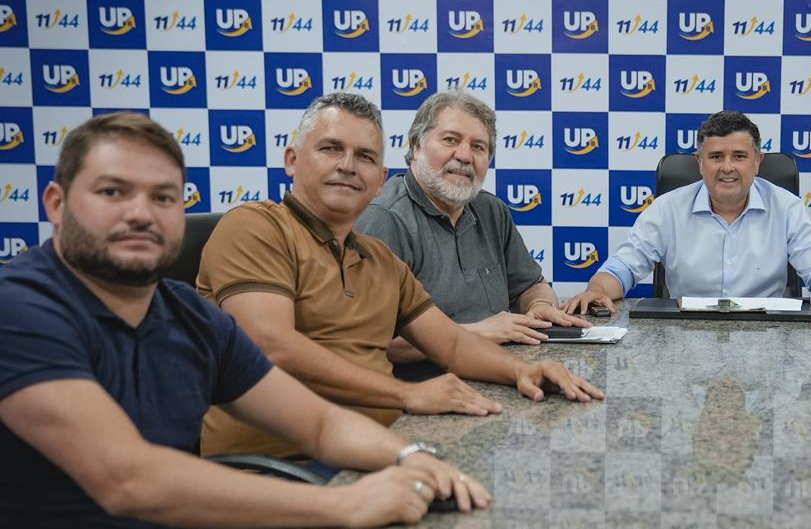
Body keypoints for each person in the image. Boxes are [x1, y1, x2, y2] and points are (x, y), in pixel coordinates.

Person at [0, 112, 491, 529]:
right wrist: (344, 504)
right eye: (112, 192)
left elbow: (319, 426)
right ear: (56, 203)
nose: (141, 214)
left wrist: (411, 459)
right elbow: (128, 479)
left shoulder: (184, 314)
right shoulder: (19, 308)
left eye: (163, 198)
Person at [197, 93, 603, 460]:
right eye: (331, 149)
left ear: (379, 180)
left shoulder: (378, 258)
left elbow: (451, 343)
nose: (347, 166)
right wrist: (406, 394)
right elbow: (271, 347)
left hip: (381, 445)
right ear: (291, 160)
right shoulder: (254, 227)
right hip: (287, 465)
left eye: (365, 157)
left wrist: (522, 371)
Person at [562, 109, 811, 321]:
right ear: (700, 162)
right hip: (683, 336)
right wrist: (597, 290)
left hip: (767, 335)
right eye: (716, 157)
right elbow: (622, 267)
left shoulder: (786, 207)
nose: (727, 167)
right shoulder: (668, 208)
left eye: (739, 156)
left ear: (757, 161)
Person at [355, 91, 590, 352]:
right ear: (416, 147)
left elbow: (531, 285)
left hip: (502, 365)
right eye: (450, 140)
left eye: (478, 147)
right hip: (427, 376)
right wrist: (477, 333)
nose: (465, 156)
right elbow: (366, 341)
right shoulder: (384, 218)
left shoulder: (491, 210)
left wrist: (540, 305)